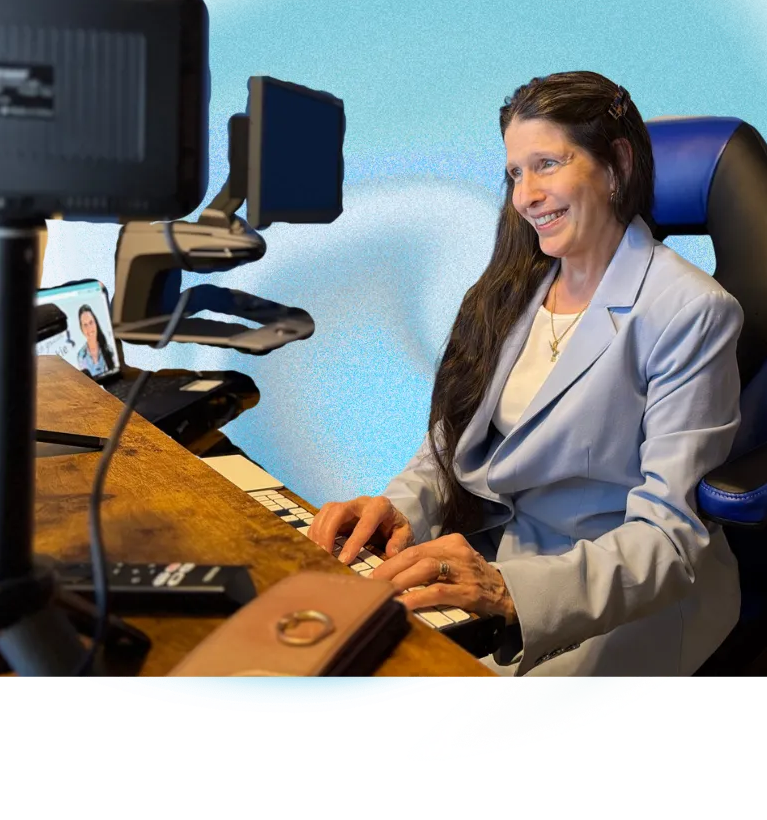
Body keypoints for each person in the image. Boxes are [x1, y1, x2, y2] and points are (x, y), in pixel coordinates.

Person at [307, 71, 744, 677]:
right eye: (515, 172)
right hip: (489, 569)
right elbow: (449, 448)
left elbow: (668, 542)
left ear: (616, 162)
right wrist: (399, 510)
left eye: (546, 164)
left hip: (615, 600)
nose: (525, 195)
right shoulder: (509, 290)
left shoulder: (690, 311)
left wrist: (508, 589)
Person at [76, 304, 115, 378]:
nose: (89, 328)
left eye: (91, 322)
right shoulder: (80, 356)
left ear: (96, 323)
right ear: (81, 328)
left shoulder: (110, 350)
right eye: (85, 325)